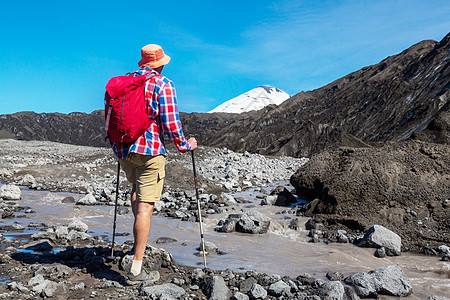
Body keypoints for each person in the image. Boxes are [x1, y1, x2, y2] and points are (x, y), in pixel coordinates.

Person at [110, 44, 197, 284]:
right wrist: (185, 145)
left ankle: (136, 248)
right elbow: (171, 123)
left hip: (125, 151)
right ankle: (137, 269)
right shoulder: (163, 84)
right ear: (160, 63)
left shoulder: (125, 83)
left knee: (137, 193)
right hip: (150, 151)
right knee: (146, 207)